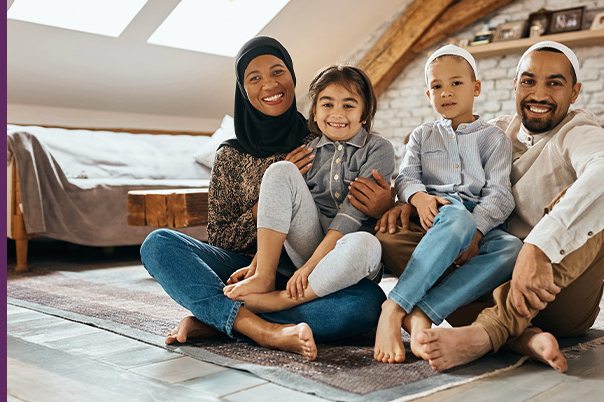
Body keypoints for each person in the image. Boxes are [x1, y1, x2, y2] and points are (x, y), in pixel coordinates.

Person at [140, 37, 392, 360]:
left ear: (292, 77)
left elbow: (355, 196)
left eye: (277, 72)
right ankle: (262, 329)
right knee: (158, 245)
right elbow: (220, 238)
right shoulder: (229, 155)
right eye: (254, 78)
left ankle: (219, 319)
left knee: (367, 304)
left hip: (304, 271)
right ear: (243, 89)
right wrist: (267, 206)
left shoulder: (319, 137)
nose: (269, 84)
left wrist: (386, 204)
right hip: (243, 269)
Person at [396, 41, 604, 372]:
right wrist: (405, 201)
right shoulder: (493, 131)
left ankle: (487, 333)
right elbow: (428, 175)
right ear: (515, 85)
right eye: (528, 81)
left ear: (574, 92)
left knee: (603, 205)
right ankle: (524, 338)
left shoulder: (579, 132)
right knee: (400, 236)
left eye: (554, 83)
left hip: (554, 290)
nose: (539, 94)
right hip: (493, 272)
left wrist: (539, 246)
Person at [371, 45, 523, 364]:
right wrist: (420, 197)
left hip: (481, 219)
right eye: (437, 86)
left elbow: (500, 193)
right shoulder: (422, 136)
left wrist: (478, 233)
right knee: (457, 219)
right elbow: (406, 178)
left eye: (456, 83)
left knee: (513, 249)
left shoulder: (494, 139)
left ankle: (423, 312)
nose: (446, 92)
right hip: (440, 215)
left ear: (476, 88)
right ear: (429, 94)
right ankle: (393, 307)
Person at [224, 66, 395, 314]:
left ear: (365, 114)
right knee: (280, 170)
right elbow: (283, 212)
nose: (337, 113)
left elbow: (351, 216)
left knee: (367, 244)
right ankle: (265, 277)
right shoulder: (307, 152)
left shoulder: (378, 149)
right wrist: (256, 264)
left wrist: (309, 268)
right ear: (314, 112)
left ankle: (282, 301)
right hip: (309, 246)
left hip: (348, 255)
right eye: (327, 105)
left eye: (348, 105)